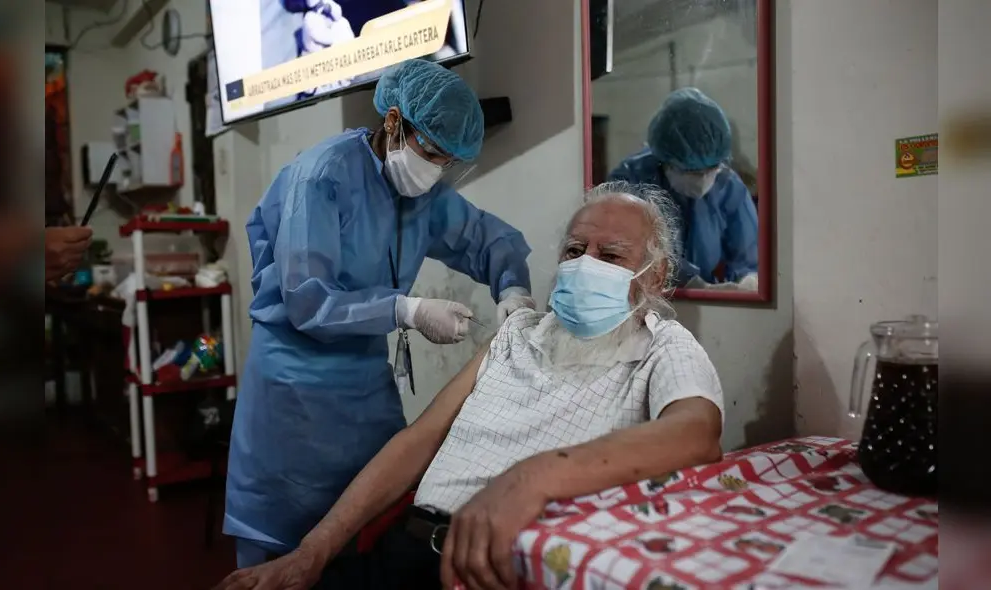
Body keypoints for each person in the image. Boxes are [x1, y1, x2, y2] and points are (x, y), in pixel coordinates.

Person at [214, 181, 724, 590]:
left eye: (610, 255)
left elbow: (696, 433)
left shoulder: (663, 348)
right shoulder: (517, 334)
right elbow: (418, 442)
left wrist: (532, 477)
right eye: (574, 249)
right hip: (410, 548)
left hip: (502, 570)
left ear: (655, 278)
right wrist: (311, 554)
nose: (585, 264)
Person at [224, 58, 537, 569]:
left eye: (447, 162)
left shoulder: (423, 195)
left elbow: (488, 238)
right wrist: (407, 310)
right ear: (393, 121)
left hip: (364, 384)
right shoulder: (321, 177)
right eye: (430, 152)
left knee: (374, 523)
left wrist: (514, 292)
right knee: (282, 550)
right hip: (294, 391)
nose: (435, 170)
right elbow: (308, 301)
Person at [609, 87, 758, 289]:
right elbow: (628, 246)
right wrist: (689, 281)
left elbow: (748, 253)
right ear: (664, 160)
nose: (702, 179)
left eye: (711, 169)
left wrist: (746, 281)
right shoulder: (632, 180)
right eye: (690, 172)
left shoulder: (728, 187)